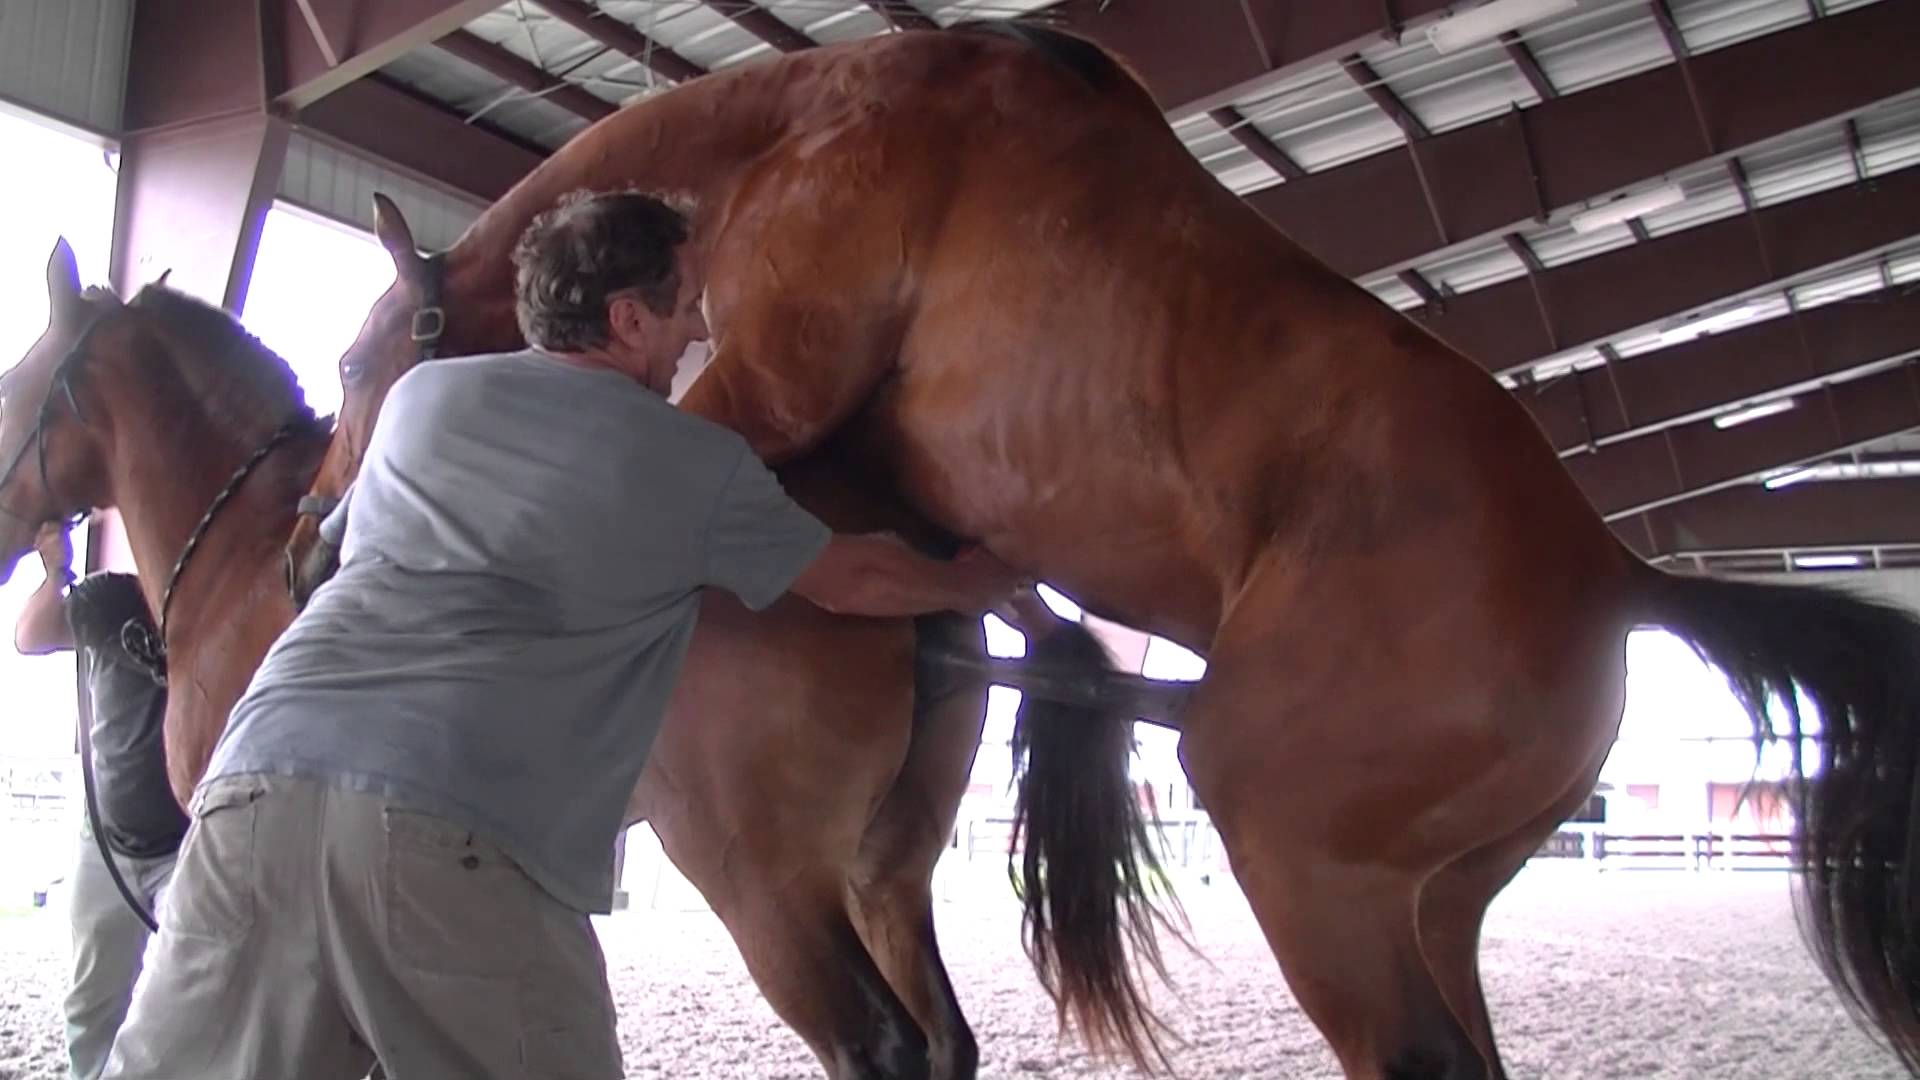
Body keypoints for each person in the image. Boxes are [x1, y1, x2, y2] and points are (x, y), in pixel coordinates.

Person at [102, 189, 1040, 1079]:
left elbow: (331, 555)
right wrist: (977, 578)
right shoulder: (687, 459)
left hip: (250, 792)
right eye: (684, 306)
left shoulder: (421, 403)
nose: (699, 331)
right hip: (452, 830)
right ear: (629, 320)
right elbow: (855, 578)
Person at [13, 524, 186, 1080]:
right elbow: (31, 634)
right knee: (94, 999)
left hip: (186, 846)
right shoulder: (110, 597)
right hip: (106, 841)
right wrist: (55, 570)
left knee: (187, 994)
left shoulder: (219, 598)